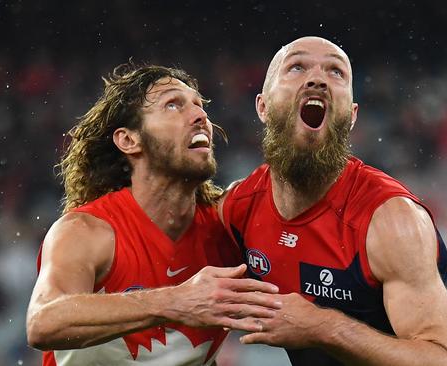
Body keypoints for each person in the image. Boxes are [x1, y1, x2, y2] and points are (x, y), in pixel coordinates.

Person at [219, 37, 447, 366]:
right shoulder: (239, 207)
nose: (317, 78)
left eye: (336, 72)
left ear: (351, 116)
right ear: (262, 107)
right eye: (296, 66)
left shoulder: (390, 219)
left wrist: (324, 327)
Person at [25, 63, 281, 365]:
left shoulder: (228, 226)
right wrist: (175, 301)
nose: (201, 117)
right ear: (128, 140)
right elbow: (42, 323)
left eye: (200, 107)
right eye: (173, 105)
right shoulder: (86, 230)